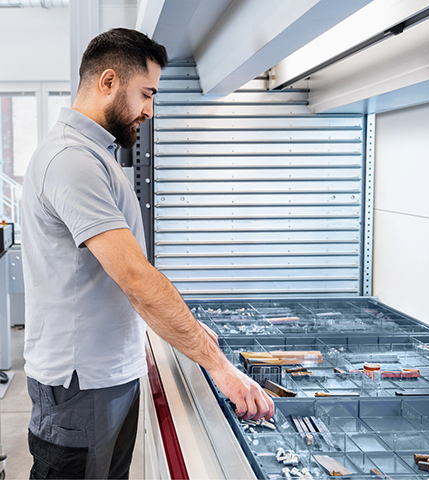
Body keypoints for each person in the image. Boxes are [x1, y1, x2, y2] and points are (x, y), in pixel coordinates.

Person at [22, 28, 274, 479]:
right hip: (81, 388)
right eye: (146, 94)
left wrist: (189, 329)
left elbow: (113, 276)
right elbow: (134, 277)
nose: (149, 110)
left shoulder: (98, 155)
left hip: (109, 374)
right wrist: (218, 366)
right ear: (108, 82)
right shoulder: (70, 160)